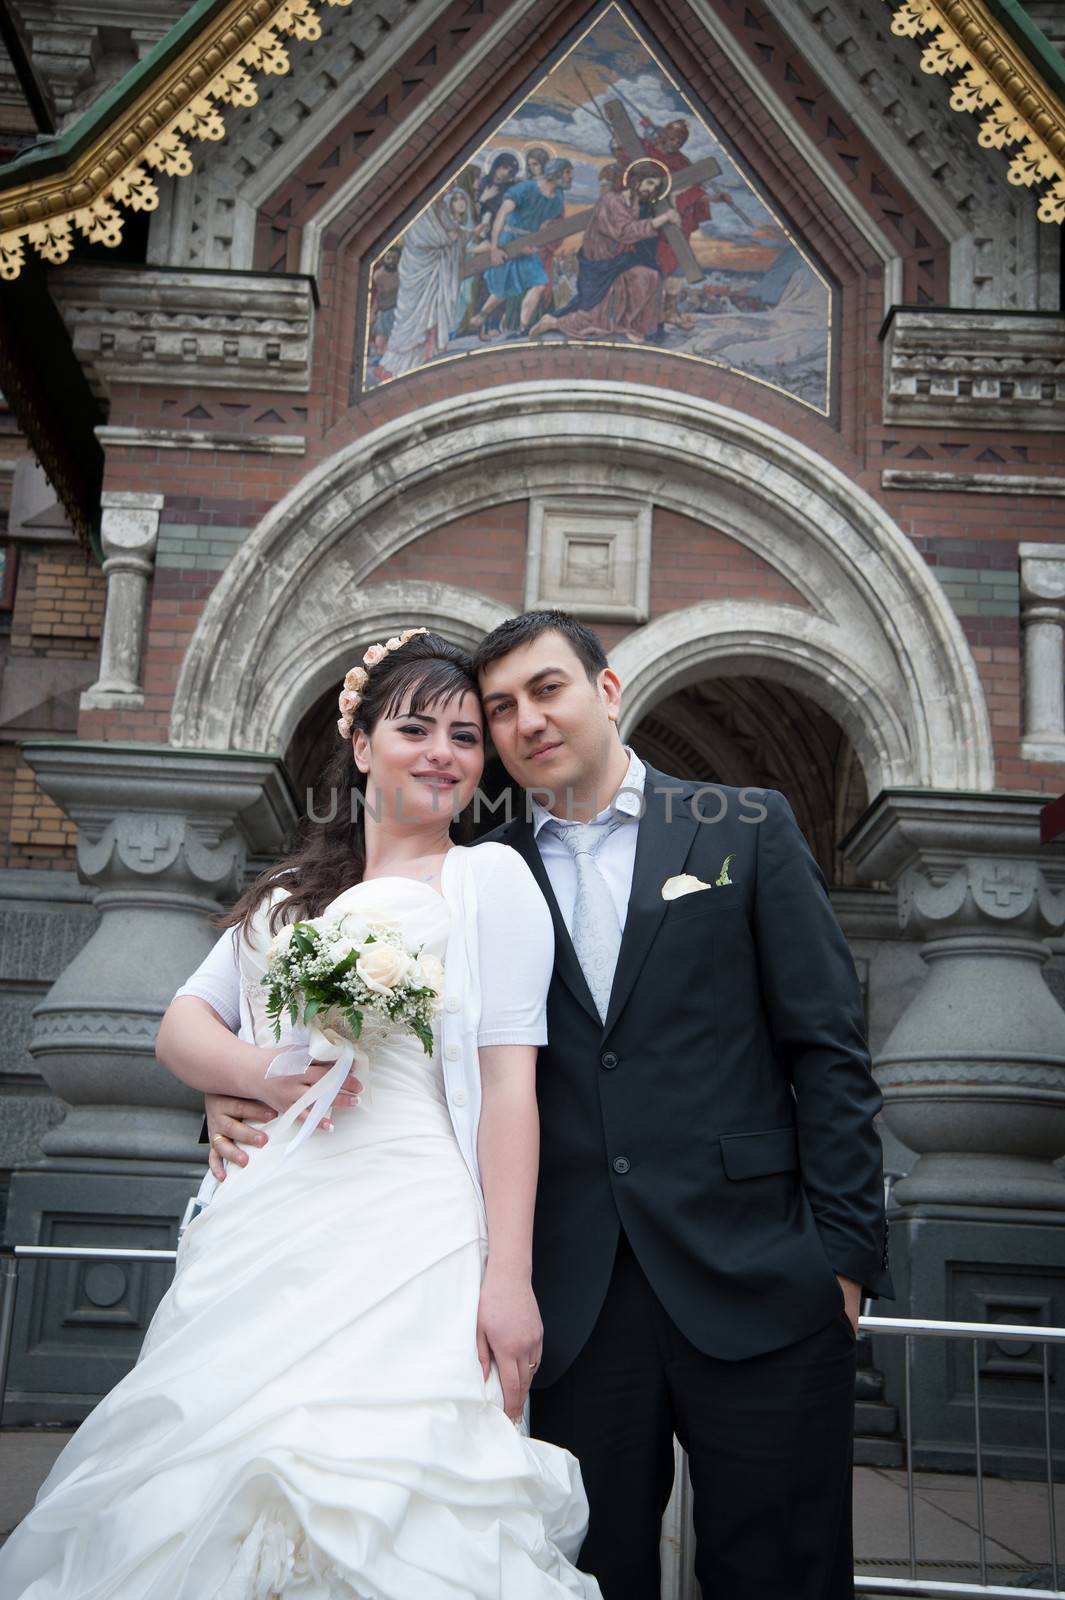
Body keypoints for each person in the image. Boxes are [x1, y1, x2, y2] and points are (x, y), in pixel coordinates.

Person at [193, 610, 893, 1599]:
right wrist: (235, 1092)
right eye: (503, 707)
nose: (527, 721)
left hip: (759, 1277)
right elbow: (390, 1039)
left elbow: (828, 1050)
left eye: (548, 689)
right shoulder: (482, 869)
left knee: (782, 1571)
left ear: (606, 693)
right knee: (584, 1573)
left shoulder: (746, 826)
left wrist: (848, 1263)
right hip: (573, 1302)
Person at [0, 630, 601, 1600]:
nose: (443, 751)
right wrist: (256, 1075)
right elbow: (181, 1025)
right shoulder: (287, 898)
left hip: (414, 1225)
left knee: (390, 1480)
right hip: (267, 1218)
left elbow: (507, 1087)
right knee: (222, 1457)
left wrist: (512, 1276)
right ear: (361, 744)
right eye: (414, 727)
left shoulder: (489, 885)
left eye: (462, 734)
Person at [530, 160, 679, 345]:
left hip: (619, 262)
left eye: (655, 186)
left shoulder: (635, 205)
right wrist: (664, 218)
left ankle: (633, 326)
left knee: (650, 276)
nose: (651, 189)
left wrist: (670, 207)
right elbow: (624, 232)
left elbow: (645, 234)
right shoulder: (612, 201)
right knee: (597, 318)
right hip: (600, 266)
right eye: (649, 183)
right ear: (635, 180)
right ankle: (553, 322)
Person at [470, 158, 573, 339]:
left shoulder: (558, 198)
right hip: (509, 241)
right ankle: (482, 315)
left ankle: (523, 329)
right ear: (556, 173)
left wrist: (536, 244)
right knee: (503, 289)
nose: (570, 177)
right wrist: (495, 248)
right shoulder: (526, 188)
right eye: (567, 172)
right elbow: (502, 215)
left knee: (540, 283)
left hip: (528, 243)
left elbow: (545, 225)